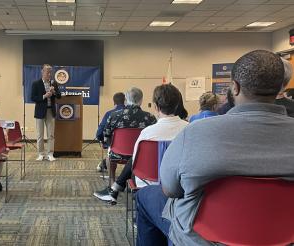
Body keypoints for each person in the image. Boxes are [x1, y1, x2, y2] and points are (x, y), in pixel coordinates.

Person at [135, 50, 294, 246]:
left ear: (234, 88)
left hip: (202, 239)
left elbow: (169, 189)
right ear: (281, 87)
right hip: (282, 238)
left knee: (144, 196)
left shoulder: (195, 132)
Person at [93, 84, 188, 204]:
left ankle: (114, 188)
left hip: (148, 180)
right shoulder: (189, 129)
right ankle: (115, 189)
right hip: (182, 182)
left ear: (155, 106)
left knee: (135, 155)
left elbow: (106, 137)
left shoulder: (147, 133)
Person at [94, 87, 157, 200]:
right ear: (141, 100)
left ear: (126, 100)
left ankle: (112, 184)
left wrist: (111, 145)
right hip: (140, 156)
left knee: (109, 152)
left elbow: (106, 136)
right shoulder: (150, 117)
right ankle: (133, 183)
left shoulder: (114, 116)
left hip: (117, 154)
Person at [31, 64, 61, 162]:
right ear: (42, 72)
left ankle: (50, 154)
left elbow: (59, 96)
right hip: (40, 111)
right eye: (47, 72)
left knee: (51, 135)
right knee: (40, 135)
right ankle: (41, 154)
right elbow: (33, 98)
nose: (49, 74)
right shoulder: (36, 83)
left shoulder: (54, 83)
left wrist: (54, 92)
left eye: (50, 72)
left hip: (50, 111)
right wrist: (44, 96)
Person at [95, 92, 125, 172]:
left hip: (114, 147)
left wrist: (101, 140)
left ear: (114, 102)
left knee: (111, 149)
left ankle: (112, 179)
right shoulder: (134, 114)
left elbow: (99, 133)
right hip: (133, 150)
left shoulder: (109, 114)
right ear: (125, 101)